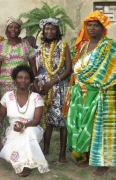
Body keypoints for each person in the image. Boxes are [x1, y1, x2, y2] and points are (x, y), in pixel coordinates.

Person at [64, 11, 116, 176]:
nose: (92, 28)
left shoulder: (110, 47)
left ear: (102, 28)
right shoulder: (82, 46)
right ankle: (86, 157)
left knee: (101, 129)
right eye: (89, 25)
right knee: (83, 126)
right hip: (82, 94)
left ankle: (103, 164)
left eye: (96, 25)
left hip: (103, 94)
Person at [0, 65, 49, 177]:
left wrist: (24, 125)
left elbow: (37, 120)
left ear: (31, 81)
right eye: (20, 77)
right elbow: (0, 115)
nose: (23, 80)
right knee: (19, 136)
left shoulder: (36, 98)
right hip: (13, 130)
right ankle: (22, 161)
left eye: (27, 78)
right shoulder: (8, 96)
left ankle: (26, 165)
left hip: (31, 128)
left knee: (28, 133)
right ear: (15, 80)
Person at [0, 16, 37, 149]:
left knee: (20, 113)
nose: (14, 29)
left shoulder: (26, 45)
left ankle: (21, 141)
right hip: (4, 86)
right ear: (7, 29)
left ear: (20, 29)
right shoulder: (1, 45)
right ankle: (5, 142)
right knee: (4, 113)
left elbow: (33, 66)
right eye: (11, 27)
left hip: (22, 86)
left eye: (16, 27)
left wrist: (33, 82)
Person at [34, 18, 72, 163]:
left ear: (57, 31)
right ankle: (46, 149)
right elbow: (39, 68)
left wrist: (53, 82)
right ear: (43, 31)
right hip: (44, 86)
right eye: (47, 29)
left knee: (63, 120)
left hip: (59, 85)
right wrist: (36, 81)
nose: (49, 31)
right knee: (46, 119)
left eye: (53, 29)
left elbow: (68, 69)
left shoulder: (63, 45)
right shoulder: (41, 47)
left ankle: (62, 154)